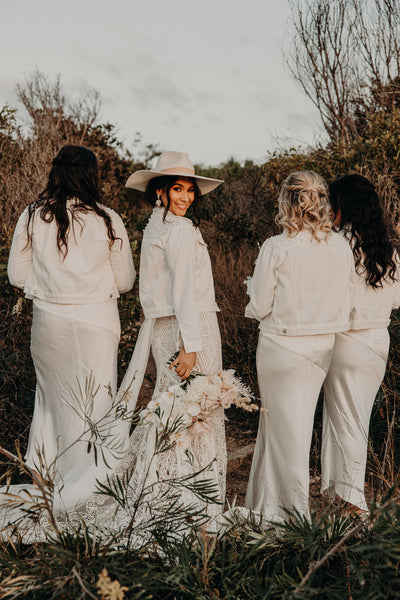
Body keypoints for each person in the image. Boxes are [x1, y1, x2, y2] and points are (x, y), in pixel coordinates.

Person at [7, 145, 136, 508]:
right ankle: (93, 487)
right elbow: (125, 281)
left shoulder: (32, 216)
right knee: (96, 406)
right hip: (97, 322)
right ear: (92, 175)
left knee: (51, 403)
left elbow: (16, 274)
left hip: (50, 322)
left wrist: (50, 284)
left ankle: (52, 483)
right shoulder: (109, 218)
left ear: (56, 173)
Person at [244, 171, 355, 522]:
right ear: (320, 201)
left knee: (283, 432)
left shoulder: (277, 247)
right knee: (295, 428)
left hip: (283, 347)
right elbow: (346, 298)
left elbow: (260, 305)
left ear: (287, 202)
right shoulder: (339, 245)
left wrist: (251, 289)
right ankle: (269, 505)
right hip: (323, 347)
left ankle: (289, 517)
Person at [321, 174, 400, 514]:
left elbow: (329, 299)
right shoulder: (389, 249)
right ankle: (344, 494)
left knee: (345, 421)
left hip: (347, 341)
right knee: (357, 419)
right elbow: (396, 301)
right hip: (377, 341)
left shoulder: (337, 246)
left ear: (344, 205)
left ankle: (354, 502)